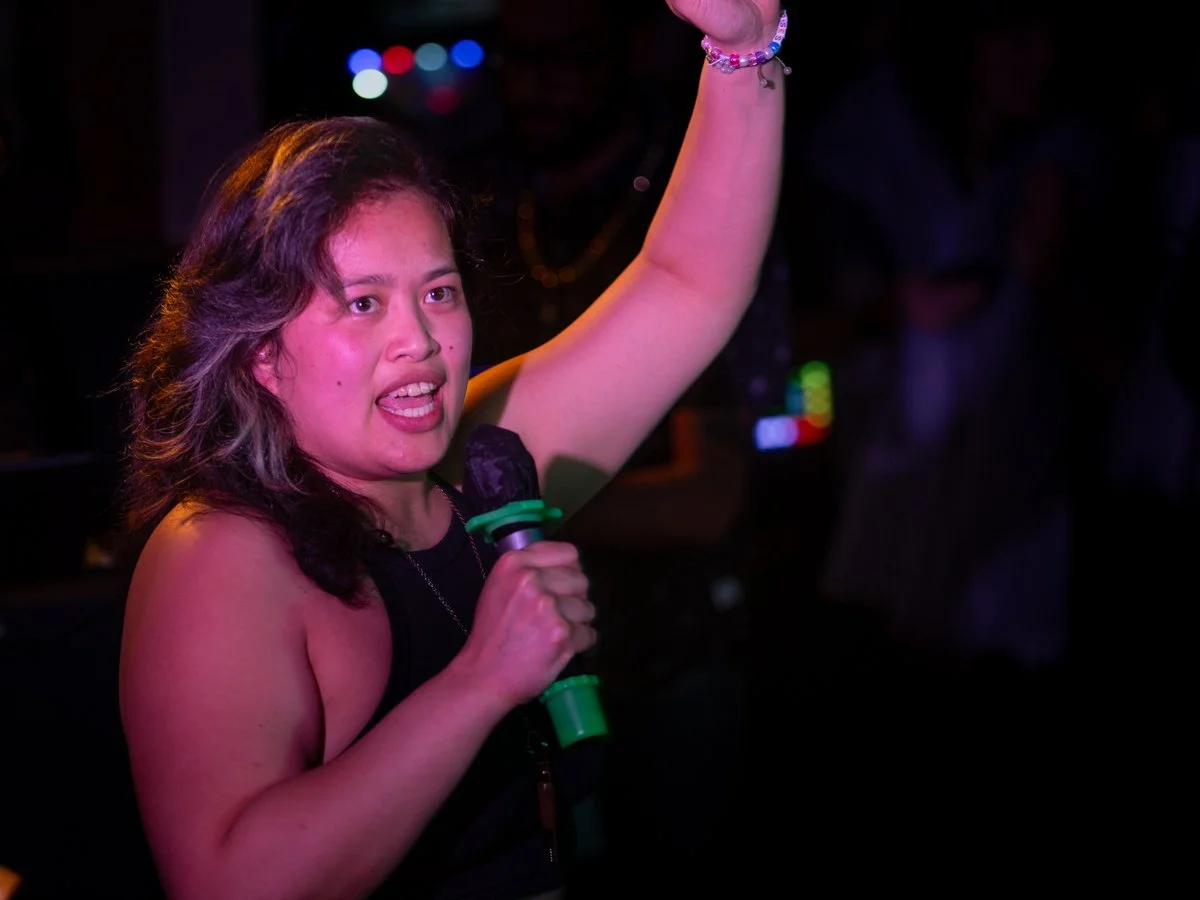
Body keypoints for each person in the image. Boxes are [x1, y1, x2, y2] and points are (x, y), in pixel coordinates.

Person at [116, 1, 786, 898]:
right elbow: (227, 884)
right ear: (261, 352)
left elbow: (688, 286)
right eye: (364, 305)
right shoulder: (220, 553)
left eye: (437, 293)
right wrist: (480, 681)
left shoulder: (479, 463)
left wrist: (745, 47)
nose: (421, 343)